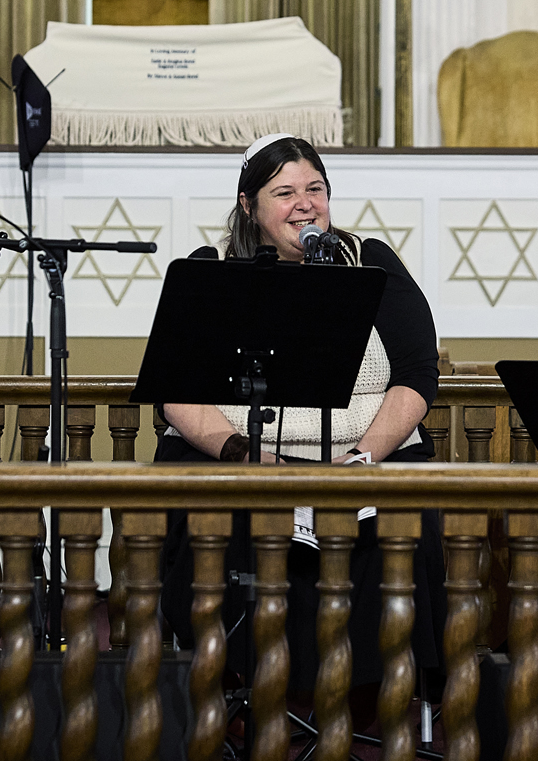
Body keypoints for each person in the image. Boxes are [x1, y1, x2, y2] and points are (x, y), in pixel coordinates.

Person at [155, 133, 446, 705]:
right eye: (283, 192)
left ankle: (363, 697)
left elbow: (417, 372)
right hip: (242, 459)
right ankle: (242, 691)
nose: (304, 203)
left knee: (404, 521)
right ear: (249, 206)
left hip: (364, 460)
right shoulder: (209, 271)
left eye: (315, 188)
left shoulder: (371, 262)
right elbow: (176, 390)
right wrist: (247, 455)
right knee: (219, 523)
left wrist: (361, 460)